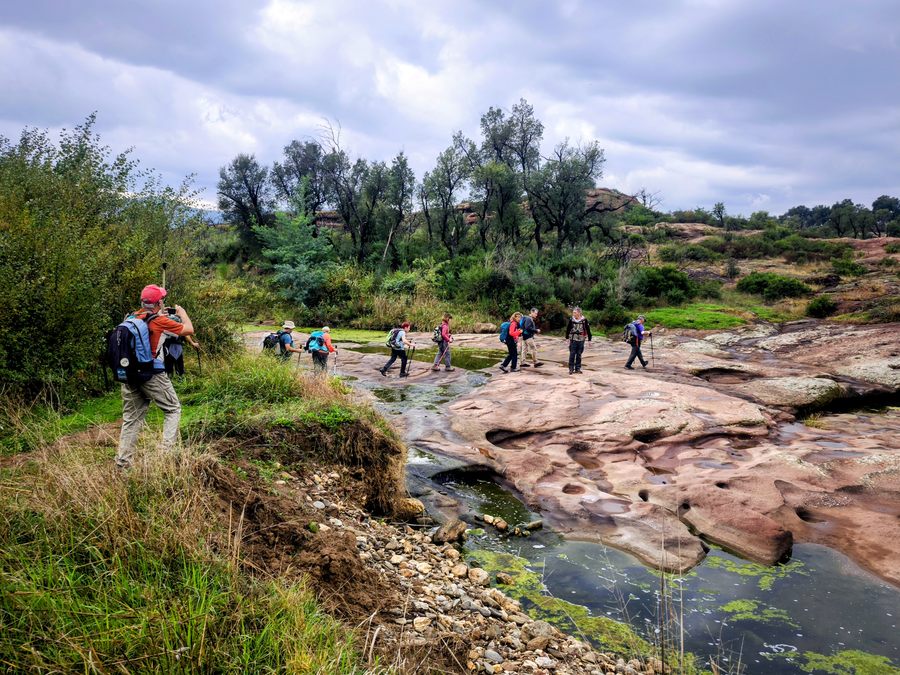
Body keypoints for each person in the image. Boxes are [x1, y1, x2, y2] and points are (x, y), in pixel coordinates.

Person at [115, 284, 194, 470]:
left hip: (129, 375)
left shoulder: (131, 317)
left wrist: (161, 316)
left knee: (131, 419)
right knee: (173, 409)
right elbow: (188, 329)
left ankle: (122, 465)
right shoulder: (159, 321)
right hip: (152, 374)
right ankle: (165, 456)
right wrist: (182, 313)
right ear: (159, 302)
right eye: (162, 299)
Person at [565, 306, 592, 374]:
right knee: (572, 354)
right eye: (573, 313)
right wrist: (567, 338)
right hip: (573, 339)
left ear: (579, 313)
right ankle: (571, 369)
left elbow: (588, 330)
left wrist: (589, 340)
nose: (573, 314)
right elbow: (568, 329)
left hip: (581, 339)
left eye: (575, 312)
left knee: (579, 354)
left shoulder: (584, 320)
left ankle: (578, 368)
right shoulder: (571, 320)